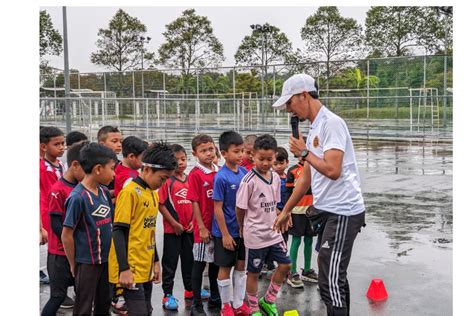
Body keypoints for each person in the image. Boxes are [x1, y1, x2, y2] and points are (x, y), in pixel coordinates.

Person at [272, 73, 366, 316]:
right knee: (330, 270)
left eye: (290, 103)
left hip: (343, 211)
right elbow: (306, 179)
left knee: (329, 280)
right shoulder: (315, 126)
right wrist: (285, 211)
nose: (288, 110)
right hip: (326, 211)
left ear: (304, 95)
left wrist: (304, 153)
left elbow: (333, 170)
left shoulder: (331, 123)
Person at [108, 142, 177, 316]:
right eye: (161, 179)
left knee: (147, 310)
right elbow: (118, 231)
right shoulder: (130, 192)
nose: (162, 184)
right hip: (130, 268)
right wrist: (123, 269)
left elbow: (150, 231)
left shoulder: (153, 193)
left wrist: (155, 262)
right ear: (146, 169)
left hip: (145, 266)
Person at [236, 134, 291, 316]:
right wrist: (242, 227)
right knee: (253, 273)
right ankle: (253, 309)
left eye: (270, 159)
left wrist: (283, 214)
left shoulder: (275, 177)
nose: (266, 163)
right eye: (261, 159)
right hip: (255, 236)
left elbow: (274, 204)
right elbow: (240, 209)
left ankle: (268, 300)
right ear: (253, 156)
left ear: (275, 156)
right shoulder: (248, 181)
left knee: (285, 265)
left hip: (273, 232)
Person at [61, 143, 116, 315]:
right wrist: (73, 264)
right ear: (98, 169)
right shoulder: (77, 198)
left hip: (107, 260)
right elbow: (66, 235)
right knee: (84, 305)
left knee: (104, 302)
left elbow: (111, 224)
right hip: (87, 263)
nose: (114, 174)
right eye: (112, 168)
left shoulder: (104, 192)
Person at [41, 142, 88, 315]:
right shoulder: (58, 190)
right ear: (75, 165)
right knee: (58, 296)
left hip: (79, 253)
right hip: (60, 255)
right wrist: (74, 243)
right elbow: (56, 226)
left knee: (83, 295)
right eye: (87, 170)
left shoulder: (82, 187)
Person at [212, 131, 250, 316]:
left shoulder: (244, 173)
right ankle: (225, 305)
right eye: (236, 151)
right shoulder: (221, 177)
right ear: (224, 153)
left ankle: (238, 303)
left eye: (242, 151)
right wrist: (225, 234)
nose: (240, 155)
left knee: (242, 266)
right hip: (226, 232)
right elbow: (218, 208)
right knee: (225, 267)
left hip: (243, 231)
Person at [158, 144, 195, 310]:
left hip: (189, 230)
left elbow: (196, 203)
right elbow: (161, 204)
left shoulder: (190, 179)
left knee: (189, 261)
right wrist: (174, 224)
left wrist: (194, 222)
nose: (181, 163)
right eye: (177, 160)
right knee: (170, 263)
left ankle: (190, 289)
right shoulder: (167, 181)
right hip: (172, 231)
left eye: (183, 159)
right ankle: (167, 294)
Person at [188, 134, 220, 316]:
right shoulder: (195, 174)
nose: (208, 153)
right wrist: (201, 227)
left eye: (210, 149)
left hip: (217, 227)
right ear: (195, 153)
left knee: (216, 264)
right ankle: (196, 303)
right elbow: (194, 202)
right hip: (204, 228)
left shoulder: (219, 170)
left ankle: (215, 298)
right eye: (203, 151)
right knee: (199, 265)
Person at [285, 152, 318, 289]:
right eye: (300, 154)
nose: (303, 156)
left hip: (312, 212)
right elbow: (287, 193)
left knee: (309, 240)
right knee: (296, 240)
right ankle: (292, 272)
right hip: (297, 212)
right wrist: (287, 212)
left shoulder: (316, 169)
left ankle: (307, 270)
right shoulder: (292, 170)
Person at [40, 127, 65, 285]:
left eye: (63, 143)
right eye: (57, 144)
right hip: (45, 213)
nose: (62, 147)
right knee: (51, 248)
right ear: (44, 147)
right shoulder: (41, 167)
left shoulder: (61, 164)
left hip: (59, 210)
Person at [262, 147, 289, 278]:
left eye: (281, 163)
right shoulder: (270, 178)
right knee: (272, 237)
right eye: (275, 164)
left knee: (283, 238)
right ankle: (268, 264)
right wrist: (278, 211)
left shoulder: (289, 177)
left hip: (286, 213)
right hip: (274, 213)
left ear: (287, 162)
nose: (278, 166)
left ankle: (280, 265)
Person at [97, 125, 122, 200]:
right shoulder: (95, 166)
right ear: (102, 144)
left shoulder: (120, 164)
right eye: (114, 141)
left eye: (121, 141)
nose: (119, 145)